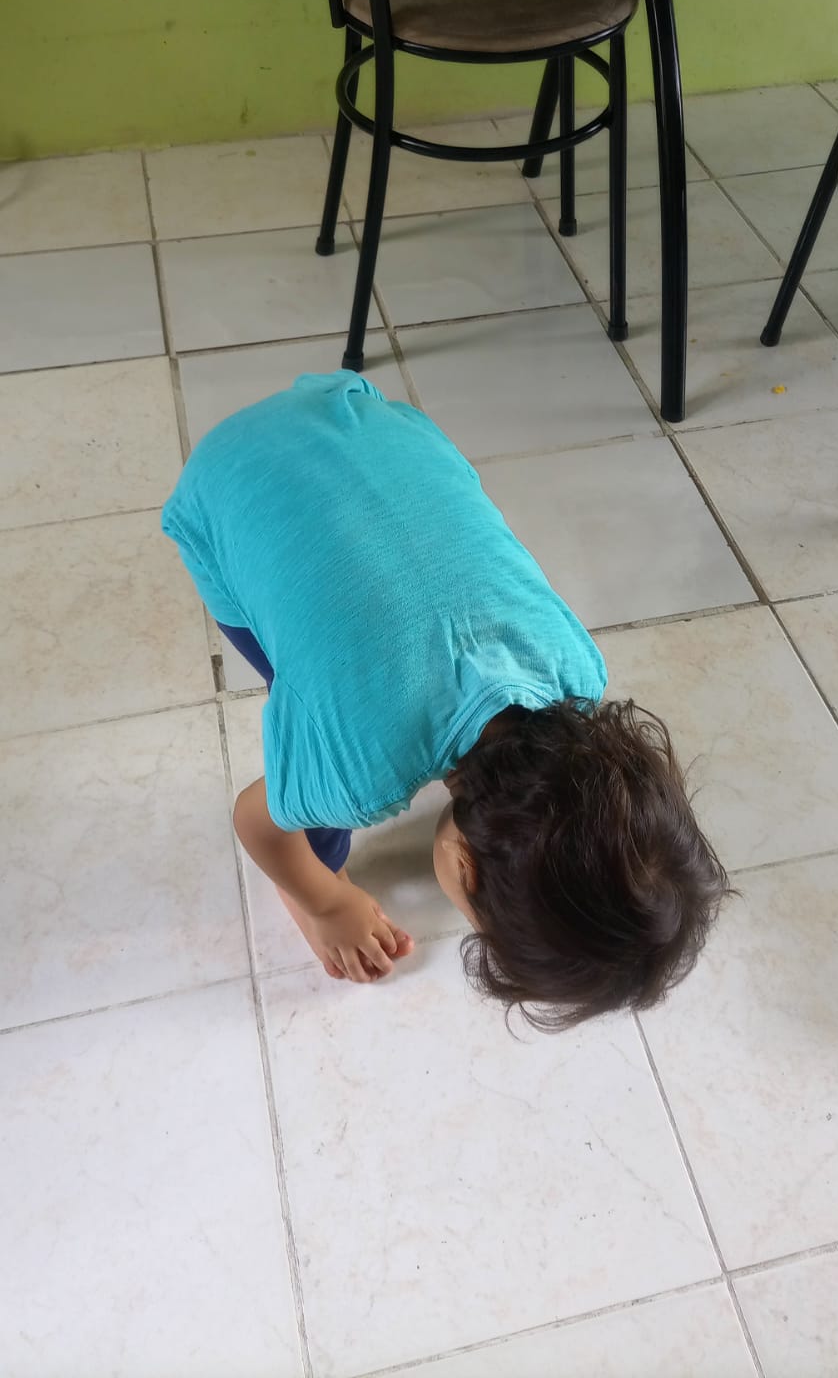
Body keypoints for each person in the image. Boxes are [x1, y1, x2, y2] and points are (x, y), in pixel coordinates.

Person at [163, 370, 730, 1027]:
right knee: (313, 728)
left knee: (339, 679)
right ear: (463, 866)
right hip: (224, 487)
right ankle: (319, 863)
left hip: (362, 419)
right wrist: (327, 903)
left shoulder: (578, 671)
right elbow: (255, 820)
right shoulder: (358, 773)